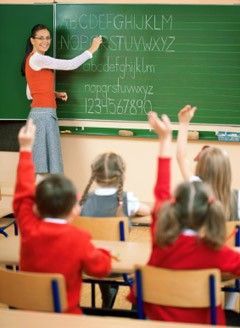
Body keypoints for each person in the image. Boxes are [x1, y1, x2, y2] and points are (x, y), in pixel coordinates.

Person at [128, 111, 240, 325]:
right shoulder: (216, 252)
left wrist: (165, 139)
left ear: (174, 208)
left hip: (157, 320)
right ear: (210, 213)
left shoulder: (160, 237)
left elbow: (161, 192)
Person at [13, 119, 112, 314]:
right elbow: (101, 269)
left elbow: (22, 196)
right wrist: (105, 253)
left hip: (29, 316)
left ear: (37, 208)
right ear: (75, 209)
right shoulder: (79, 238)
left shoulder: (29, 228)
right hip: (66, 318)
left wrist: (26, 150)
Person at [21, 23, 102, 177]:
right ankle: (42, 200)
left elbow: (30, 93)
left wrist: (54, 94)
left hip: (41, 115)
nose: (45, 41)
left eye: (47, 38)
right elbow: (70, 65)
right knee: (43, 170)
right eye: (40, 38)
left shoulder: (32, 59)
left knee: (44, 167)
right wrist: (92, 49)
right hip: (43, 117)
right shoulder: (37, 59)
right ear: (32, 40)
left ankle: (45, 200)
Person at [80, 152, 150, 309]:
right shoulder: (126, 199)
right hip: (120, 265)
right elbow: (147, 211)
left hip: (90, 265)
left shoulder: (83, 200)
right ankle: (135, 309)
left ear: (95, 175)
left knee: (99, 248)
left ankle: (107, 293)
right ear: (122, 175)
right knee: (145, 265)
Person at [176, 105, 240, 221]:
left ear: (201, 168)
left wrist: (184, 123)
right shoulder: (237, 198)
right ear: (227, 171)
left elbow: (181, 157)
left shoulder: (196, 189)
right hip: (228, 239)